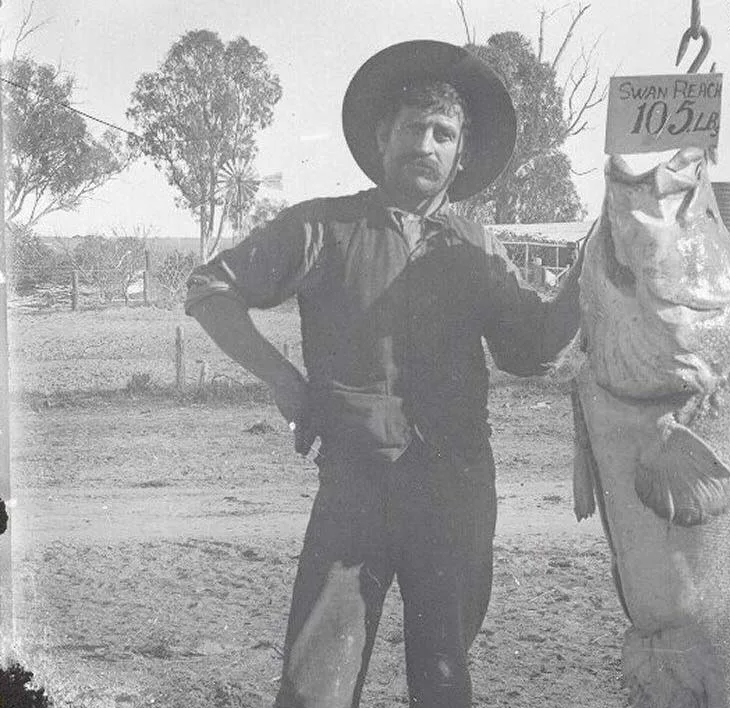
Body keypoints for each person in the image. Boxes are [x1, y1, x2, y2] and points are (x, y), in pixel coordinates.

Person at [185, 39, 582, 708]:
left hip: (455, 493)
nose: (425, 143)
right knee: (315, 688)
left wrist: (588, 277)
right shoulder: (324, 227)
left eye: (443, 132)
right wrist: (285, 380)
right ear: (381, 137)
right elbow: (209, 289)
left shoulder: (478, 247)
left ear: (460, 155)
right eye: (411, 127)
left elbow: (532, 351)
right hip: (354, 491)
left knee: (445, 681)